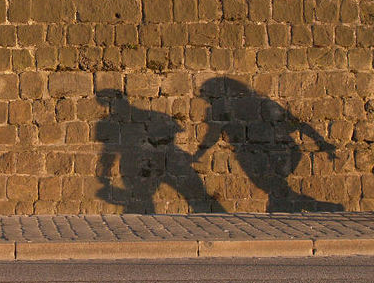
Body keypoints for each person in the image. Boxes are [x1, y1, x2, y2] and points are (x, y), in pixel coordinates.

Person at [195, 77, 343, 212]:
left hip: (277, 154)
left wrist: (322, 143)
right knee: (275, 191)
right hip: (260, 155)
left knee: (274, 187)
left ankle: (326, 208)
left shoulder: (258, 105)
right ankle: (295, 211)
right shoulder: (231, 107)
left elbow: (297, 124)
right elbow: (213, 134)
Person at [94, 89, 223, 213]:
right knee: (143, 199)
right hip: (144, 162)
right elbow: (109, 149)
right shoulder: (154, 116)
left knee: (195, 192)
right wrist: (104, 172)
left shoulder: (153, 116)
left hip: (165, 160)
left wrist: (104, 173)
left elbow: (109, 149)